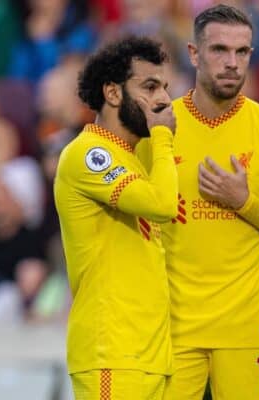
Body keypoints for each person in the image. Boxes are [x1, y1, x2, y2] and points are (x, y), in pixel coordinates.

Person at [158, 4, 259, 400]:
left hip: (247, 327)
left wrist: (244, 202)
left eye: (242, 52)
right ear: (193, 54)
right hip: (173, 325)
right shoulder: (157, 128)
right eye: (219, 50)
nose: (231, 63)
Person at [54, 36, 178, 399]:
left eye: (165, 87)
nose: (163, 99)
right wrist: (163, 138)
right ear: (112, 93)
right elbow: (163, 205)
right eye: (150, 86)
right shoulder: (88, 153)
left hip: (149, 355)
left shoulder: (135, 158)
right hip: (113, 355)